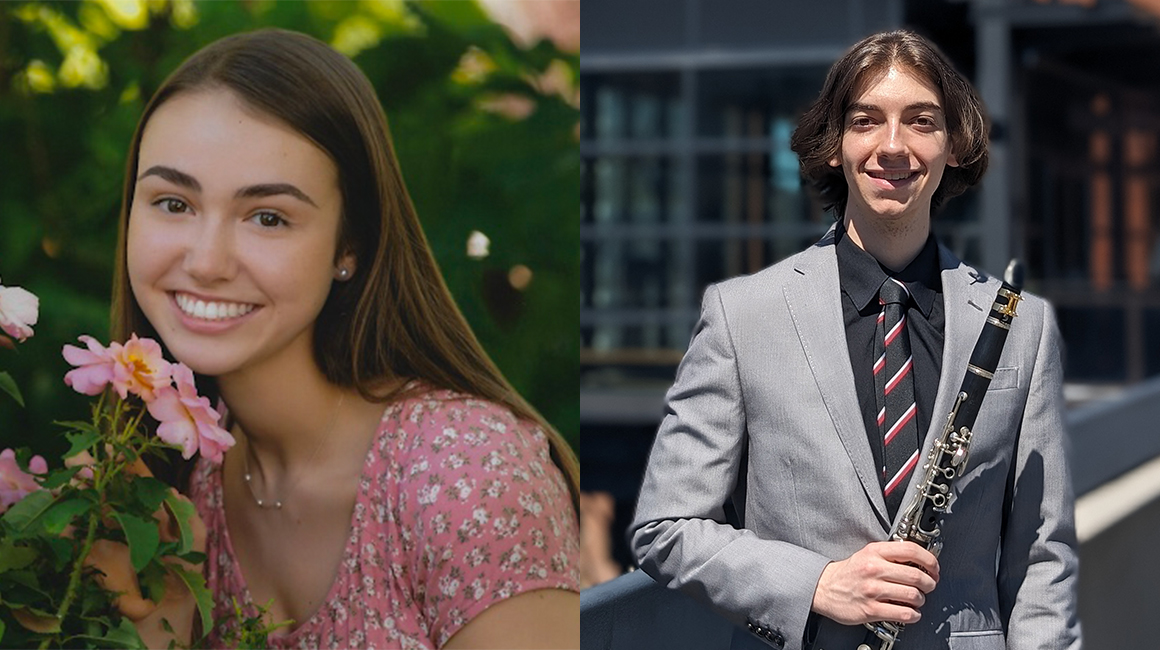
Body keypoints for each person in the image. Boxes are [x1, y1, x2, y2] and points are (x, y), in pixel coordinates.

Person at [102, 28, 579, 649]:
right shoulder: (167, 495)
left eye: (267, 217)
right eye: (172, 203)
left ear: (348, 248)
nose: (208, 260)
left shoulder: (466, 473)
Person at [629, 30, 1081, 650]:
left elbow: (1041, 558)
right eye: (866, 121)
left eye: (921, 122)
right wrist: (818, 583)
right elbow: (666, 527)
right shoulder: (743, 314)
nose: (892, 146)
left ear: (953, 146)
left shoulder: (1022, 326)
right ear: (835, 147)